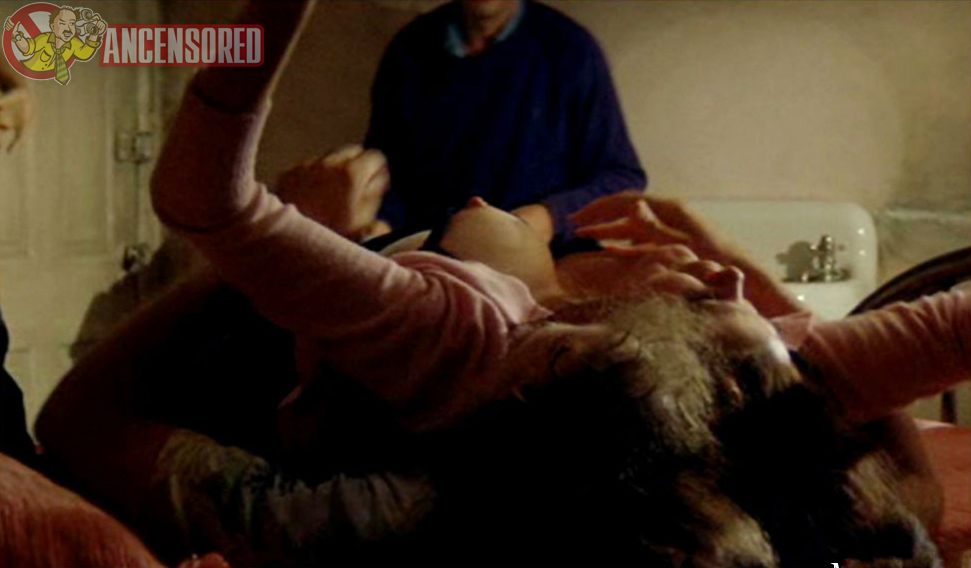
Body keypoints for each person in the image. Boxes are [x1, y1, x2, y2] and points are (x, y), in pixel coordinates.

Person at [364, 0, 646, 247]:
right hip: (431, 256)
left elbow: (621, 178)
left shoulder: (570, 49)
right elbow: (388, 169)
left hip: (541, 258)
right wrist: (380, 223)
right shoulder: (410, 48)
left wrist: (550, 217)